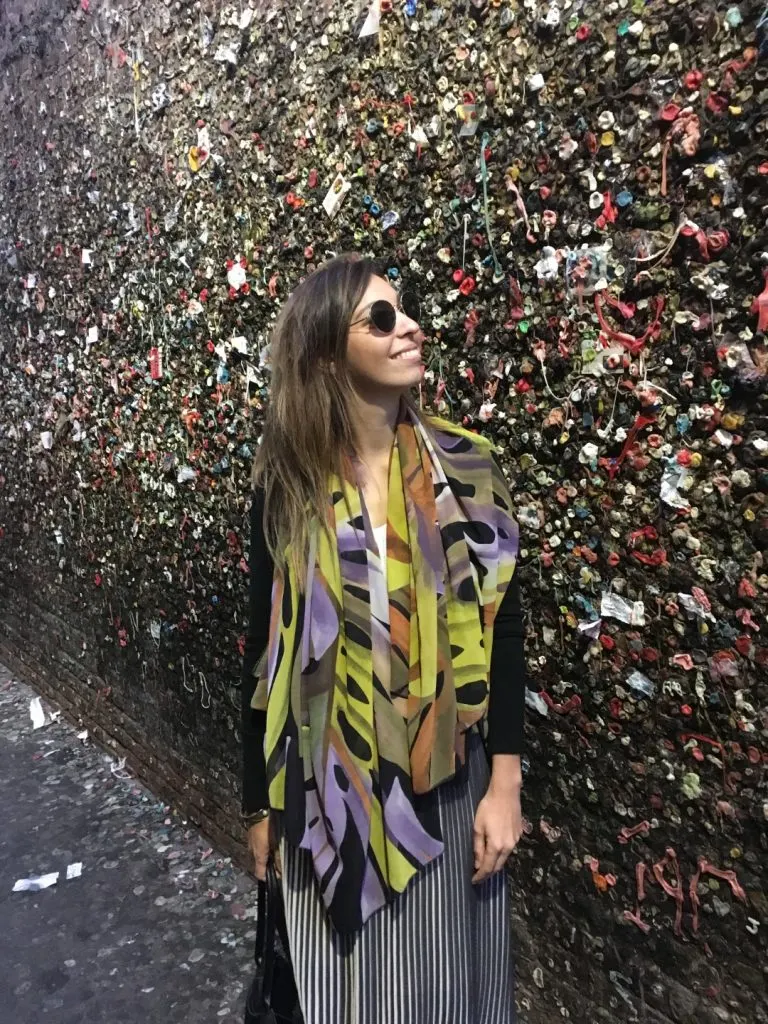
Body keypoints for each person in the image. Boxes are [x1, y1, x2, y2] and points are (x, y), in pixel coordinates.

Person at [241, 253, 527, 1024]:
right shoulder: (286, 488)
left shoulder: (464, 468)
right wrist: (258, 808)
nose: (409, 328)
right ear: (329, 353)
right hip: (325, 797)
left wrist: (507, 784)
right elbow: (261, 657)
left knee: (446, 994)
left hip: (444, 785)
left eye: (404, 311)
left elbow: (504, 634)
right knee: (349, 1000)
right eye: (381, 318)